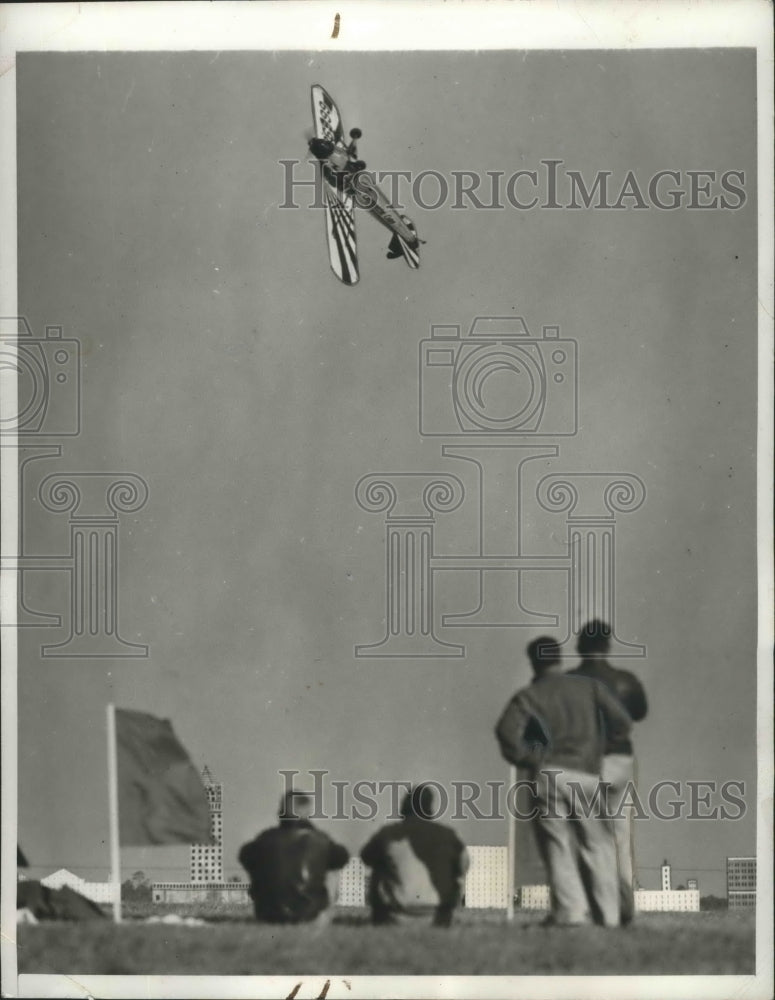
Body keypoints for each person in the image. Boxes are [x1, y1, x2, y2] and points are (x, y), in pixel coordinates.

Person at [496, 637, 632, 927]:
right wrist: (598, 746)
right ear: (559, 658)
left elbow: (506, 732)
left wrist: (530, 757)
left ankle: (571, 913)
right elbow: (622, 722)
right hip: (586, 774)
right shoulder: (589, 687)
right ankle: (608, 916)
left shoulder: (530, 694)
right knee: (598, 845)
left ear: (533, 661)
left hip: (547, 775)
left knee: (556, 845)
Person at [568, 620, 648, 925]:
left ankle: (594, 906)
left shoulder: (570, 681)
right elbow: (640, 711)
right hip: (620, 760)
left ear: (579, 646)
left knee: (588, 837)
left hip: (584, 763)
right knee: (621, 837)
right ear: (608, 644)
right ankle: (626, 907)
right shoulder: (624, 680)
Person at [360, 784, 469, 927]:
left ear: (404, 806)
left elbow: (366, 857)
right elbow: (464, 865)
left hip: (394, 916)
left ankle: (381, 920)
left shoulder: (388, 833)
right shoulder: (448, 835)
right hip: (438, 916)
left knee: (379, 866)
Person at [238, 790, 349, 924]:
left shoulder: (263, 839)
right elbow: (343, 858)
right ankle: (320, 916)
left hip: (267, 915)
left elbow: (244, 856)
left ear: (281, 812)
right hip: (310, 916)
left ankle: (272, 906)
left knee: (260, 861)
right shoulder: (321, 840)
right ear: (308, 812)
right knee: (333, 869)